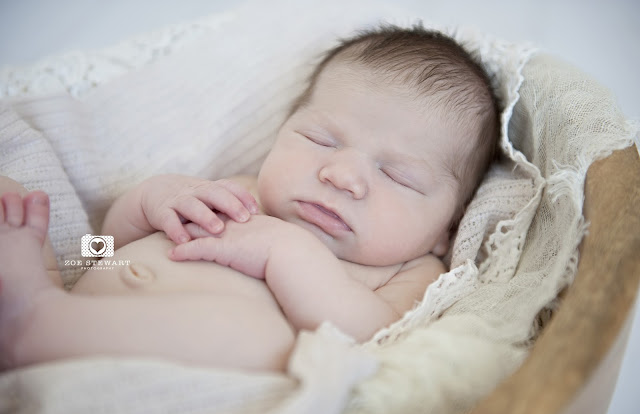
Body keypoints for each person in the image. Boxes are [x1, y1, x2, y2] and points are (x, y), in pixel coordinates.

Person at [0, 24, 498, 372]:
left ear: (445, 232)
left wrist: (287, 253)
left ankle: (35, 324)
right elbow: (103, 253)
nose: (342, 173)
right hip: (75, 287)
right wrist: (144, 205)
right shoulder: (241, 191)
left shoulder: (410, 271)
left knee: (263, 340)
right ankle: (35, 295)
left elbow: (372, 336)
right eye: (321, 140)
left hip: (161, 359)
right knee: (12, 195)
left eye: (399, 176)